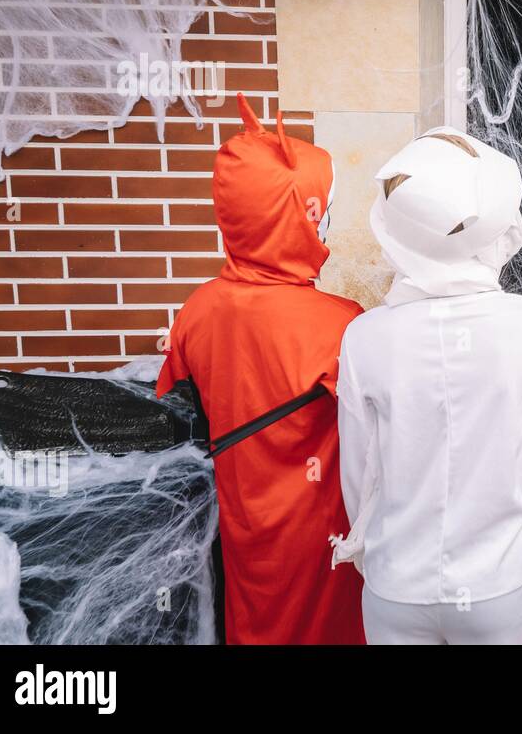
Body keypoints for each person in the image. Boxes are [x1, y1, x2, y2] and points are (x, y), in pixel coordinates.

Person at [331, 127, 522, 645]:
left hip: (397, 586)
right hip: (502, 584)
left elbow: (360, 472)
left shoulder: (363, 338)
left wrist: (378, 554)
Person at [156, 94, 364, 645]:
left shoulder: (196, 310)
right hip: (319, 540)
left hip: (240, 525)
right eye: (324, 209)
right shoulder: (341, 324)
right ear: (298, 216)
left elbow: (182, 402)